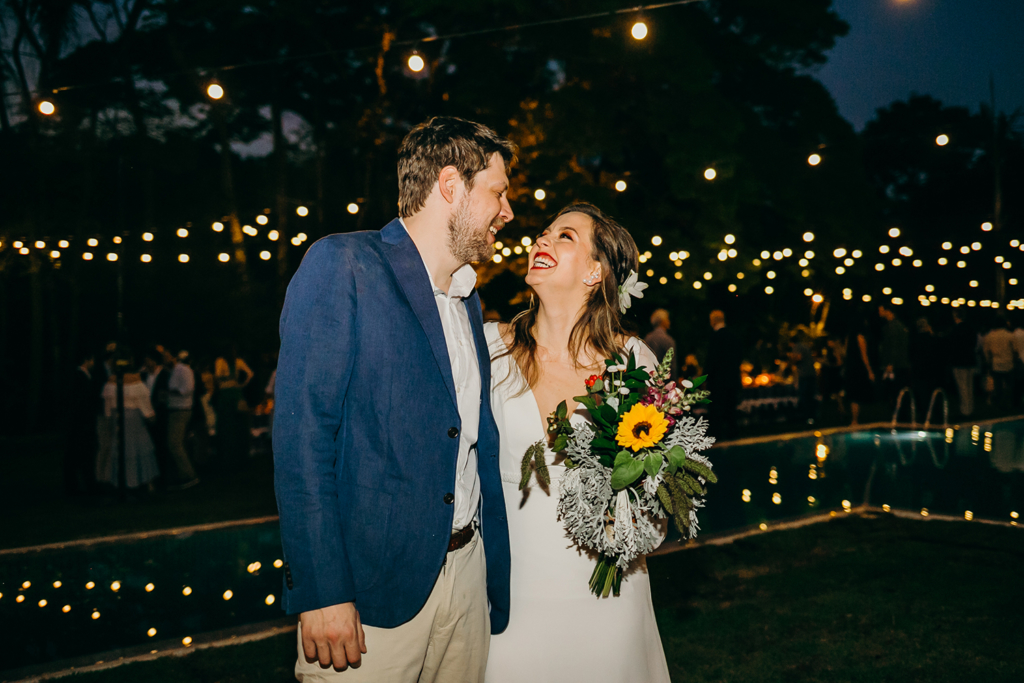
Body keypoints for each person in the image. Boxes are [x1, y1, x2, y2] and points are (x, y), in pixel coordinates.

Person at [274, 116, 514, 682]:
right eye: (498, 193)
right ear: (450, 185)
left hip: (467, 579)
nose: (507, 212)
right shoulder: (344, 265)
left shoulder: (467, 301)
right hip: (371, 593)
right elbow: (303, 439)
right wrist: (323, 589)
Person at [484, 203, 670, 683]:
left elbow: (660, 494)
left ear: (595, 271)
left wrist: (633, 523)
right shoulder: (490, 349)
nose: (541, 241)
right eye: (543, 233)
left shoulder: (632, 363)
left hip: (609, 592)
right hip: (511, 596)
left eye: (563, 236)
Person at [96, 353, 160, 491]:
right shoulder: (138, 385)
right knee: (139, 453)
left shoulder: (109, 385)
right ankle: (141, 482)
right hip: (135, 426)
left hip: (117, 426)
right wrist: (152, 419)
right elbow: (147, 411)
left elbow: (107, 412)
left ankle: (122, 483)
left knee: (122, 454)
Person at [163, 347, 199, 490]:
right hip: (177, 409)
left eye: (166, 355)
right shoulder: (177, 370)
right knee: (176, 443)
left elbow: (187, 389)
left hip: (181, 410)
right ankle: (183, 474)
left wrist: (170, 393)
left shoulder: (182, 370)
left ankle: (189, 475)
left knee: (174, 443)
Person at [65, 352, 98, 496]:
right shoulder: (80, 378)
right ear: (87, 360)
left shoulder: (78, 377)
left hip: (79, 425)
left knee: (76, 457)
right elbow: (81, 403)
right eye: (92, 360)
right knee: (84, 456)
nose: (94, 364)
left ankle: (77, 487)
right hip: (82, 425)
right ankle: (86, 487)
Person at [705, 309, 741, 440]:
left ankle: (717, 435)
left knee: (717, 410)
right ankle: (733, 434)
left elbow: (712, 360)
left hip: (718, 381)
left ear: (713, 321)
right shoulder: (733, 336)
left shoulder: (715, 337)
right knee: (731, 409)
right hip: (732, 379)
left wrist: (705, 376)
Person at [213, 347, 254, 465]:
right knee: (240, 424)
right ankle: (241, 454)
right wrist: (242, 384)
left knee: (226, 425)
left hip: (225, 394)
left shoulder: (220, 361)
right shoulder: (238, 361)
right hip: (237, 394)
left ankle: (227, 454)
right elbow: (250, 374)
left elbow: (217, 375)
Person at [844, 315, 875, 426]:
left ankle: (854, 419)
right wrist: (870, 371)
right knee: (857, 394)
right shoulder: (860, 337)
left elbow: (845, 352)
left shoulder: (849, 337)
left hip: (850, 367)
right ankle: (855, 420)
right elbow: (864, 355)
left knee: (853, 395)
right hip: (859, 368)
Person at [878, 304, 910, 408]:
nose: (879, 312)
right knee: (898, 390)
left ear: (888, 311)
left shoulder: (892, 327)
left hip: (896, 364)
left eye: (881, 310)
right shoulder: (897, 325)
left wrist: (891, 363)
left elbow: (894, 345)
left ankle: (898, 413)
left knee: (895, 390)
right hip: (900, 363)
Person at [949, 309, 978, 416]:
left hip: (959, 361)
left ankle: (965, 409)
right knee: (970, 385)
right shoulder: (971, 328)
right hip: (970, 360)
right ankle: (970, 407)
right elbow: (974, 344)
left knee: (962, 386)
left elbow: (952, 346)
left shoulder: (955, 329)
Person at [983, 315, 1015, 410]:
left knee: (998, 385)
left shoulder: (990, 336)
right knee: (1009, 384)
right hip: (1008, 363)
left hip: (996, 363)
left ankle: (999, 402)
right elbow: (1015, 350)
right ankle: (1008, 402)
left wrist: (988, 361)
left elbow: (986, 351)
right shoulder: (1010, 335)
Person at [789, 331, 817, 424]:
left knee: (805, 396)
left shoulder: (797, 347)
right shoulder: (805, 346)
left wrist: (791, 361)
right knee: (810, 396)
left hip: (804, 375)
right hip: (811, 373)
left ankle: (807, 417)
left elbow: (798, 357)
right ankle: (813, 416)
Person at [644, 309, 678, 380]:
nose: (669, 322)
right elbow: (671, 365)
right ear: (663, 321)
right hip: (663, 381)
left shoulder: (647, 338)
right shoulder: (668, 340)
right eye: (667, 319)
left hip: (649, 378)